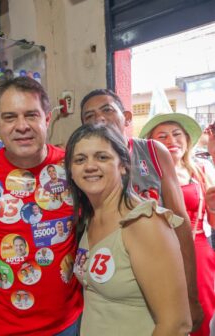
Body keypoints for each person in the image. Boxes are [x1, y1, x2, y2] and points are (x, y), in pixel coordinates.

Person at [0, 76, 82, 335]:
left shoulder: (72, 167)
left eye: (31, 115)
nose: (22, 126)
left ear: (47, 119)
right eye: (9, 117)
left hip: (68, 323)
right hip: (0, 325)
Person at [80, 89, 203, 330]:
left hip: (163, 278)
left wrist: (191, 293)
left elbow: (180, 222)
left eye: (107, 110)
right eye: (89, 116)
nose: (99, 119)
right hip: (113, 286)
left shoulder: (153, 152)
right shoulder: (86, 164)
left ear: (126, 117)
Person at [65, 123, 191, 335]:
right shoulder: (90, 219)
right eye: (80, 160)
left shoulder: (144, 223)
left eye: (102, 157)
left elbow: (177, 325)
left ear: (123, 165)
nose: (90, 166)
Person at [141, 112, 215, 336]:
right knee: (166, 317)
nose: (171, 141)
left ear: (187, 139)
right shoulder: (144, 178)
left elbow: (212, 222)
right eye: (162, 136)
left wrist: (212, 208)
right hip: (159, 256)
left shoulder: (201, 171)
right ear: (152, 144)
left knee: (202, 314)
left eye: (176, 134)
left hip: (199, 253)